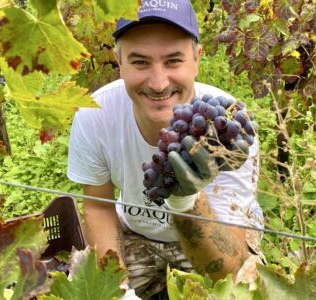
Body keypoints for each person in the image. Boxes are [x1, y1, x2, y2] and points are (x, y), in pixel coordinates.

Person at [67, 0, 265, 298]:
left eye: (173, 61)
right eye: (140, 62)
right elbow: (98, 206)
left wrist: (186, 203)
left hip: (216, 231)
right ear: (118, 61)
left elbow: (229, 270)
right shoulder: (94, 113)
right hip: (137, 232)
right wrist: (116, 289)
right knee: (88, 289)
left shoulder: (226, 125)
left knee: (244, 291)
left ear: (196, 59)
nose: (159, 84)